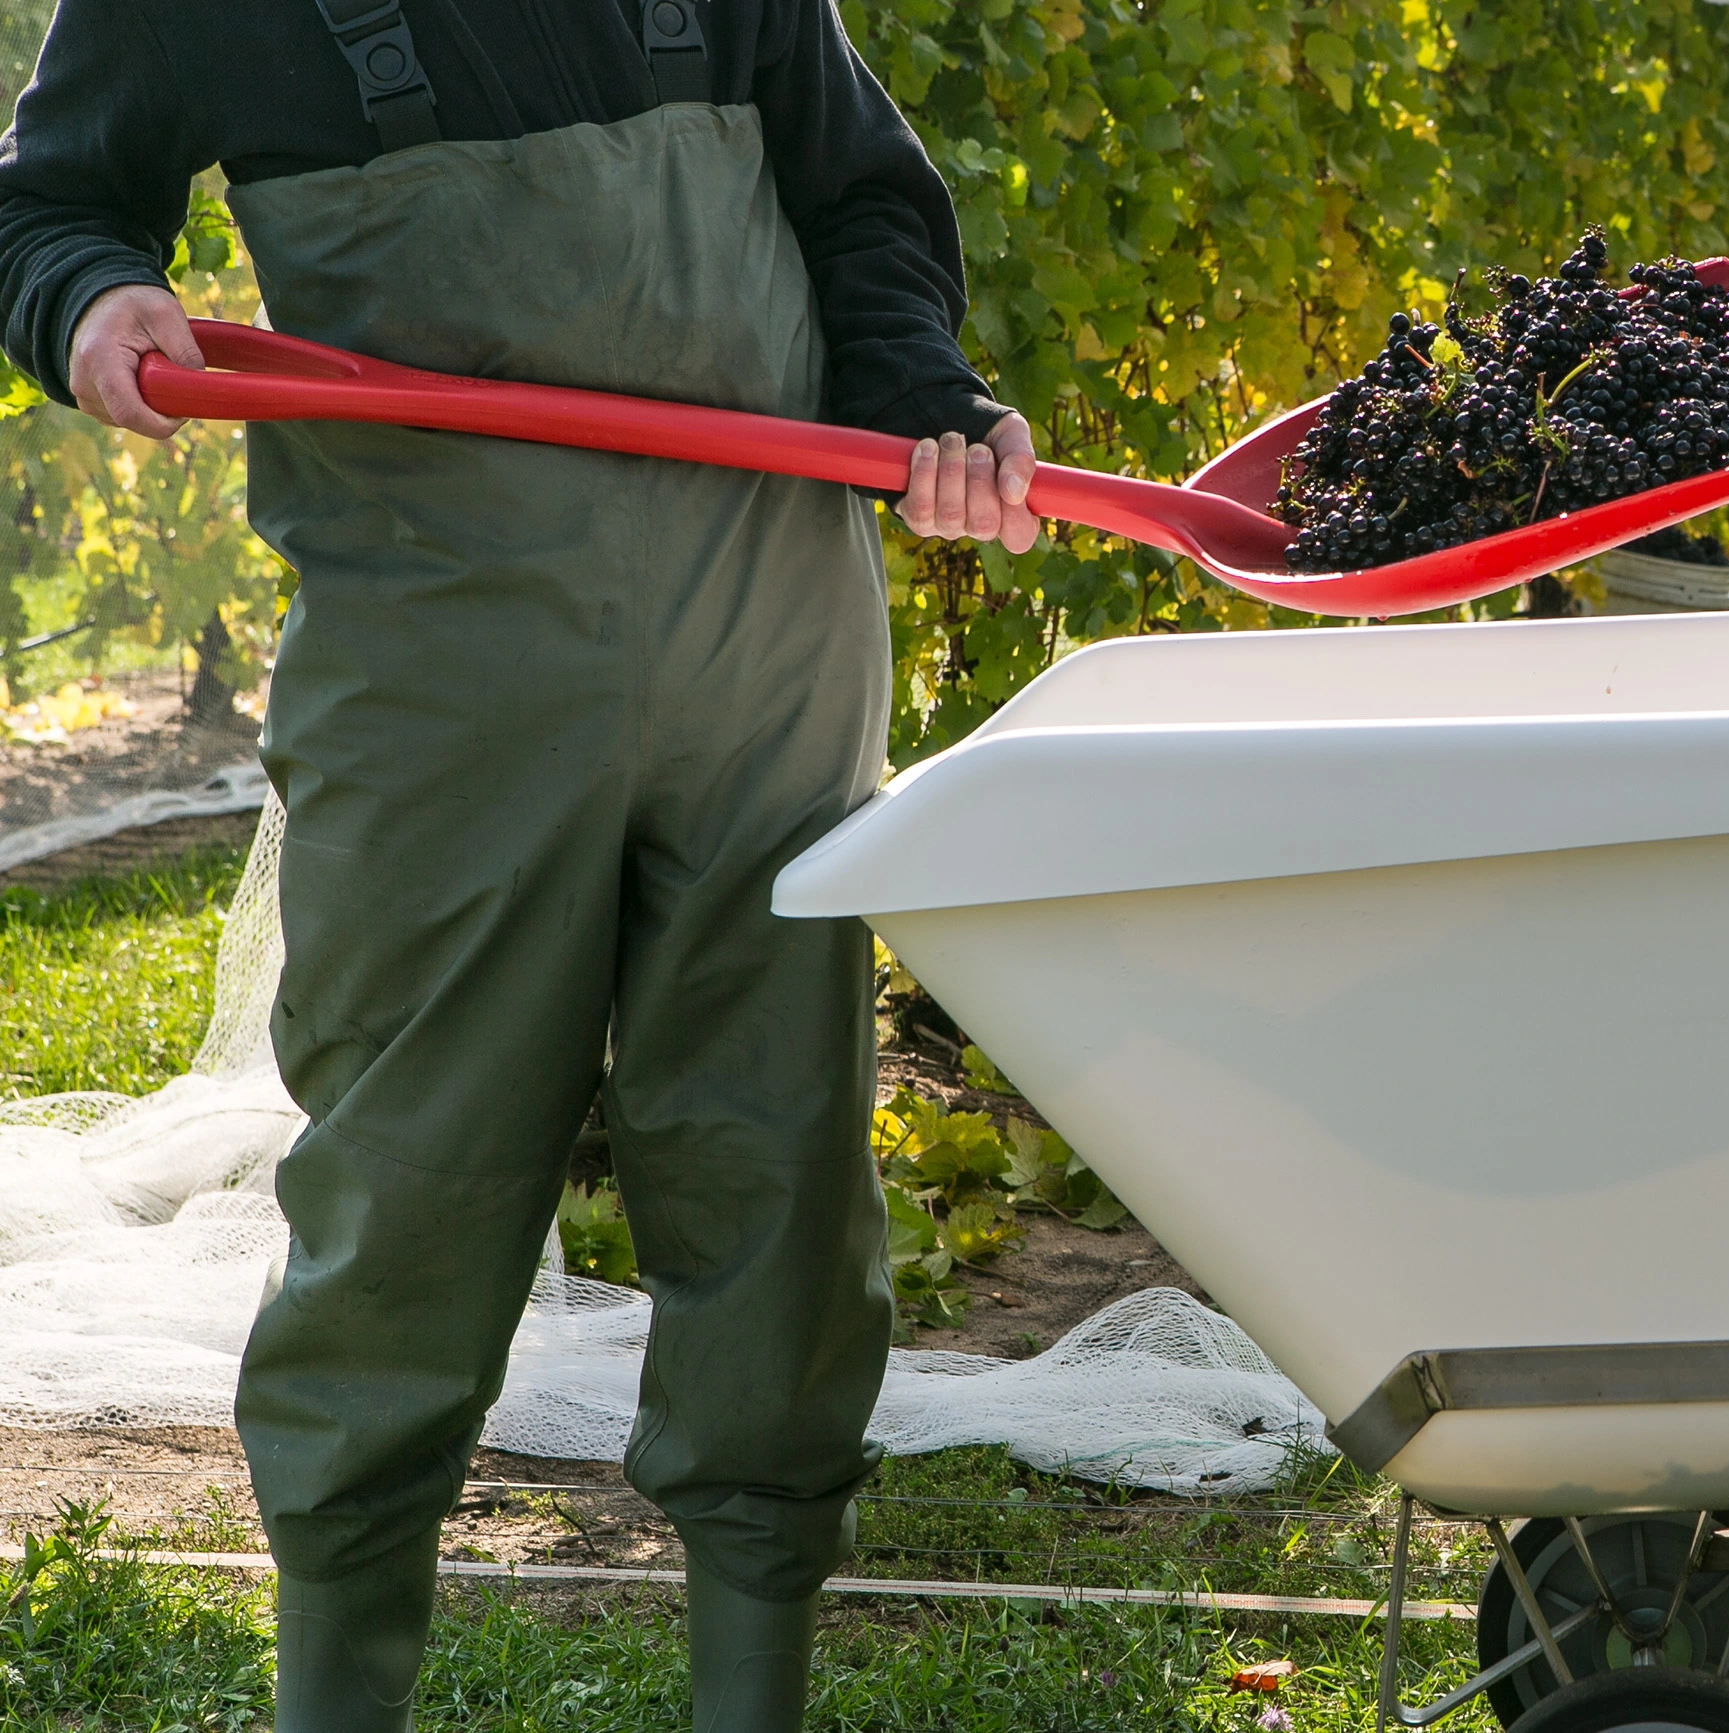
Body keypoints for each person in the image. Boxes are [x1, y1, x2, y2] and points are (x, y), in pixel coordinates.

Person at [0, 3, 1040, 1728]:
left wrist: (923, 401)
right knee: (410, 1186)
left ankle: (750, 1687)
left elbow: (860, 197)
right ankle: (338, 1690)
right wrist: (90, 296)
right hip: (445, 675)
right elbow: (41, 204)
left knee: (775, 1167)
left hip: (766, 644)